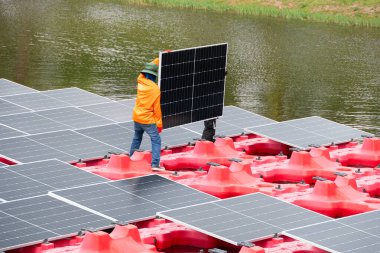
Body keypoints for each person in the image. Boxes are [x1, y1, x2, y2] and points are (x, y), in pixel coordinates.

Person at [129, 57, 164, 171]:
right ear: (154, 75)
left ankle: (130, 158)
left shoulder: (140, 81)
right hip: (147, 120)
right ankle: (155, 164)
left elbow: (148, 67)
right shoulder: (155, 89)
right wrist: (159, 124)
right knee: (156, 140)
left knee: (137, 137)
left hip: (136, 117)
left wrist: (159, 58)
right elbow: (157, 109)